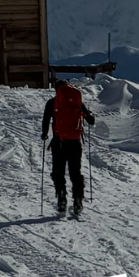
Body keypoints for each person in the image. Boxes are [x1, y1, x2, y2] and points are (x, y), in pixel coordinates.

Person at [41, 76, 95, 217]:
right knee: (75, 173)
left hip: (59, 142)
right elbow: (91, 120)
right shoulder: (77, 102)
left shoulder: (52, 103)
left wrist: (44, 135)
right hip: (75, 141)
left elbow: (46, 119)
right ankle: (78, 201)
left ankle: (61, 199)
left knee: (57, 172)